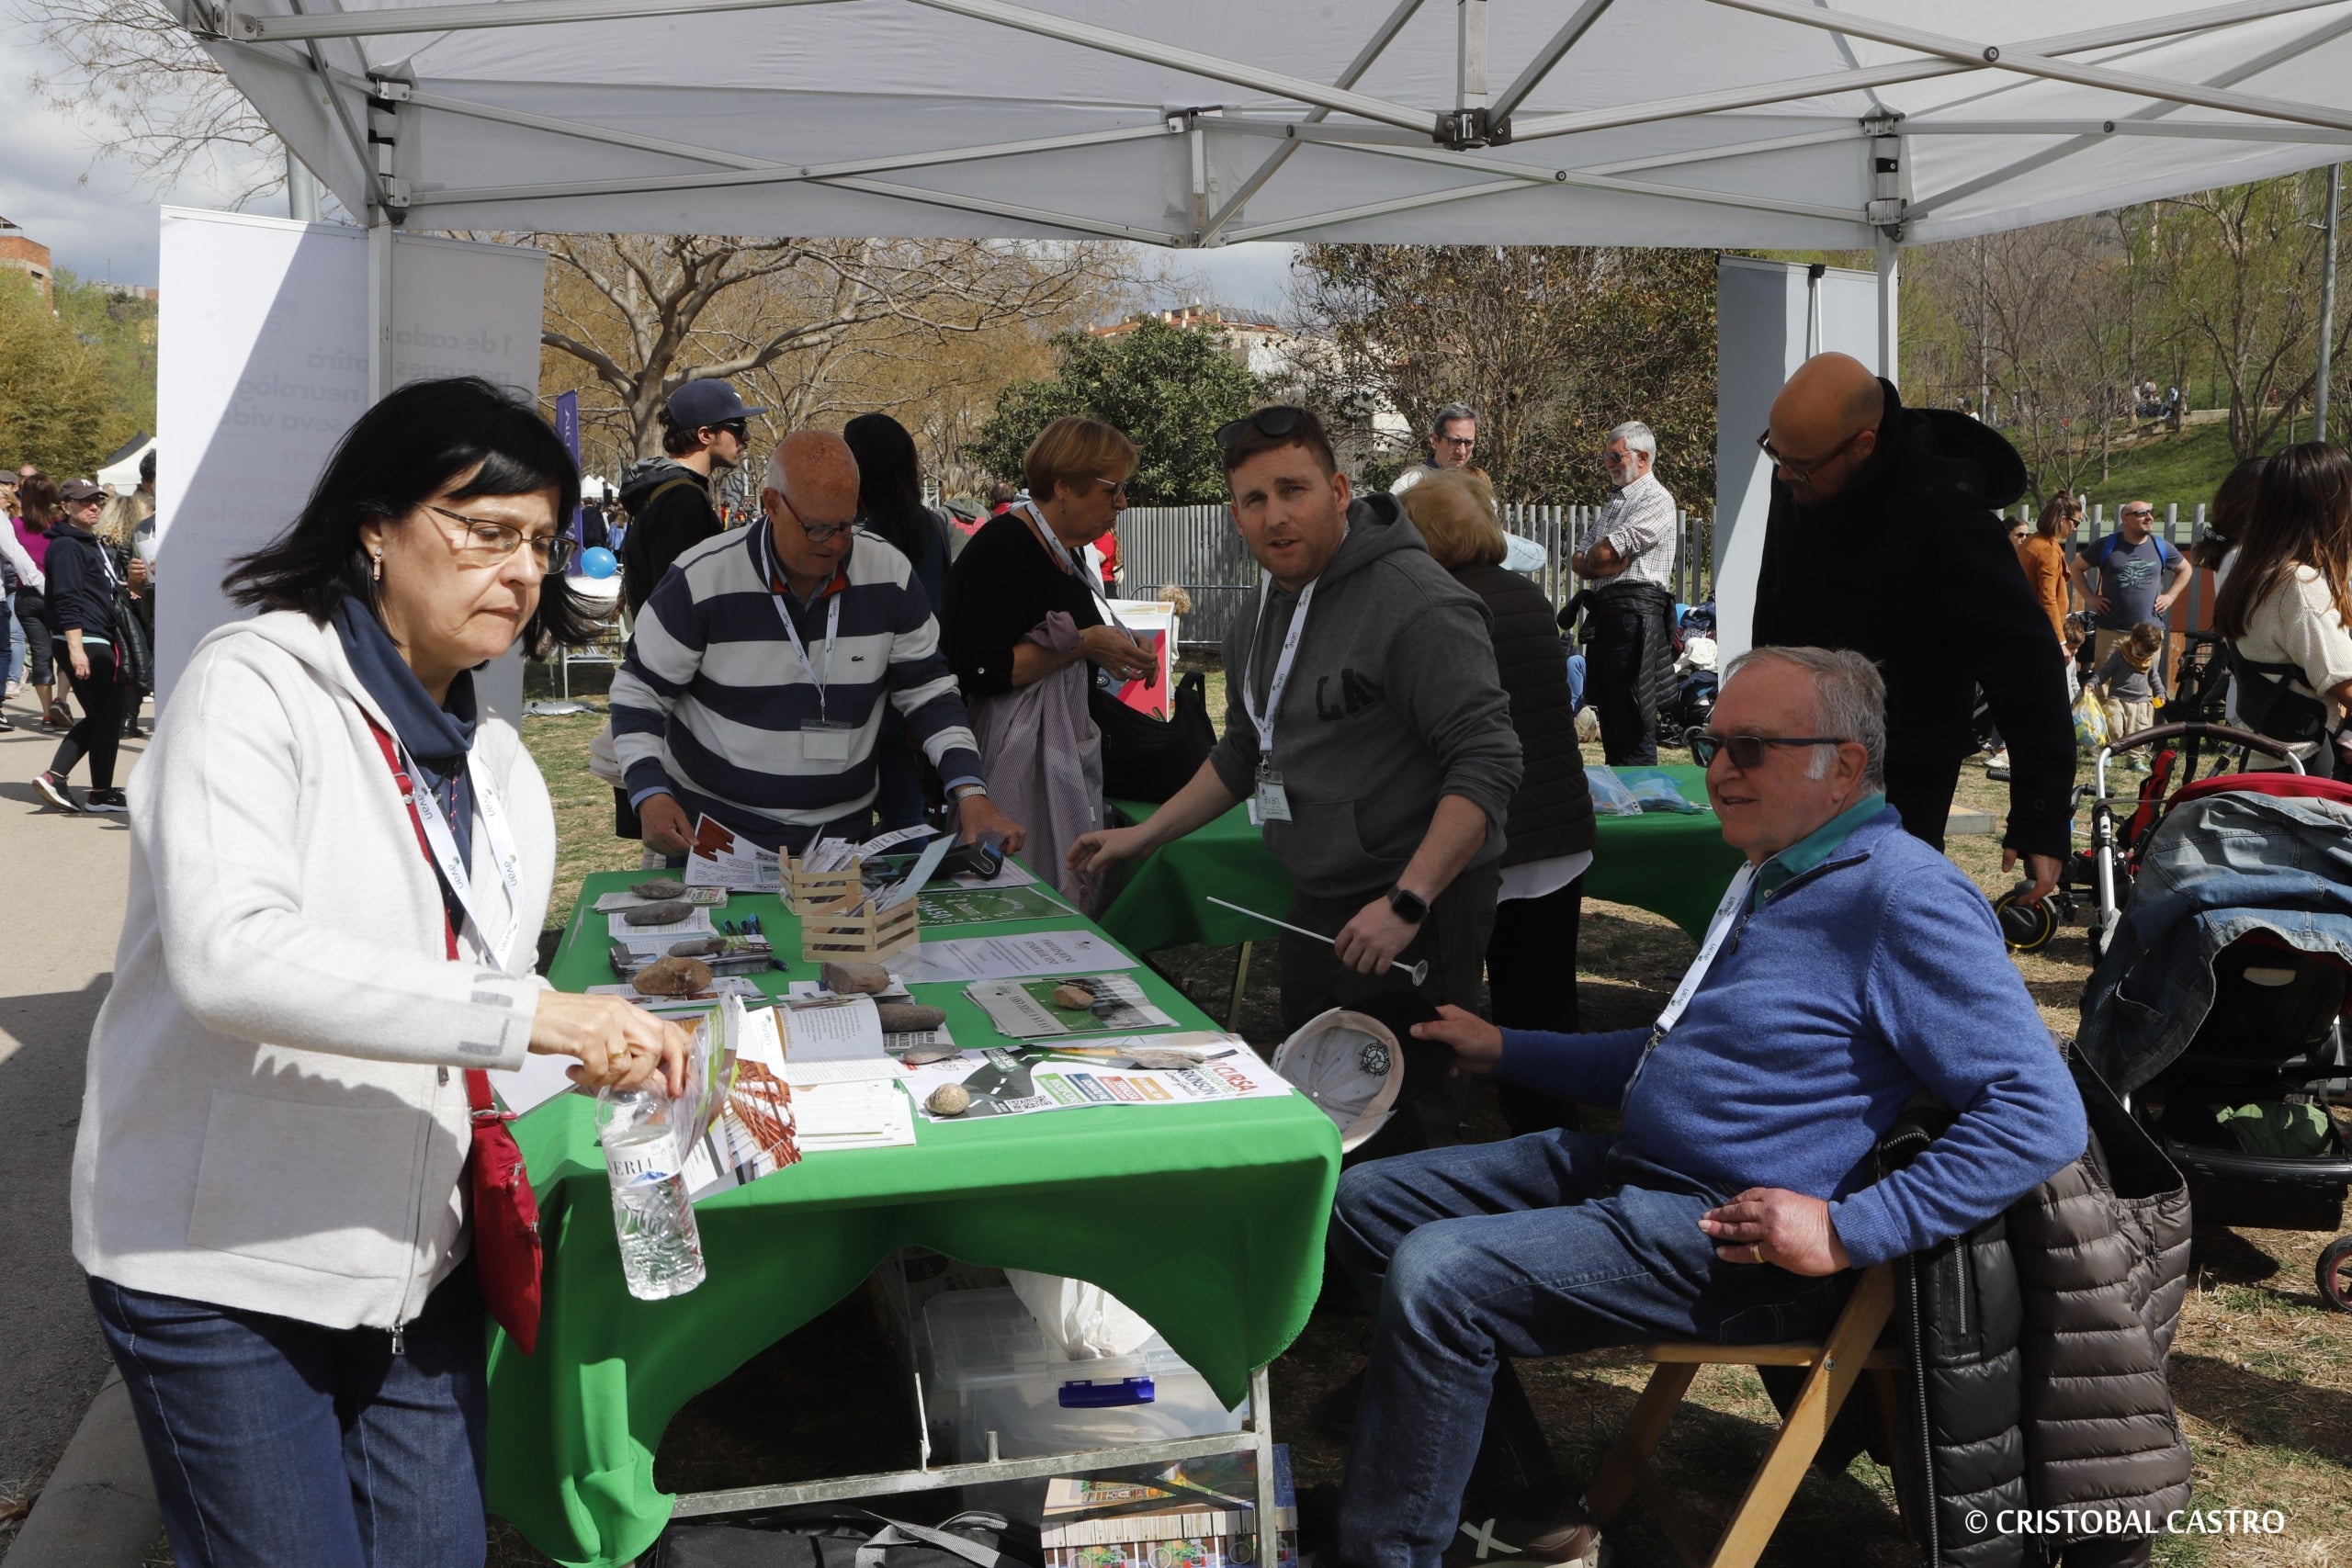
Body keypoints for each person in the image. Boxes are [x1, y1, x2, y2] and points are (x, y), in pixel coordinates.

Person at [73, 376, 691, 1568]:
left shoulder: (501, 767)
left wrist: (661, 1086)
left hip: (416, 1270)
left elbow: (464, 1037)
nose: (518, 570)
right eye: (484, 530)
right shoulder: (254, 682)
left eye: (539, 543)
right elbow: (229, 954)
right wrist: (540, 1015)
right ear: (375, 524)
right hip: (226, 1268)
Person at [1329, 647, 2086, 1566]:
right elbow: (1672, 1060)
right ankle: (1527, 1511)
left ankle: (1387, 1549)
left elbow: (2037, 1110)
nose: (1718, 770)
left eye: (1752, 747)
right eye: (1710, 742)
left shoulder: (1903, 896)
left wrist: (1850, 1230)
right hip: (1642, 1177)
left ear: (1842, 764)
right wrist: (1504, 1049)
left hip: (1730, 1238)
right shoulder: (1778, 869)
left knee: (1437, 1274)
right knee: (1364, 1207)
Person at [1070, 406, 1521, 1046]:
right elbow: (1243, 751)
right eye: (1254, 499)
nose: (1274, 515)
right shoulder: (1259, 608)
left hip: (1414, 902)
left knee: (1400, 1119)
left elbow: (1489, 762)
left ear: (1338, 493)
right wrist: (1143, 836)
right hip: (1314, 895)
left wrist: (1406, 903)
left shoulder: (1417, 601)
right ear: (1235, 517)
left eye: (1293, 490)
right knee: (1318, 1091)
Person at [1752, 351, 2075, 904]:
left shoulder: (1946, 516)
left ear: (1863, 445)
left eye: (1799, 467)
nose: (1784, 476)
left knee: (1878, 907)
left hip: (1903, 763)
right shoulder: (1803, 472)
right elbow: (1774, 605)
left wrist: (2040, 814)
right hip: (1798, 743)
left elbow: (2025, 664)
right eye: (1776, 457)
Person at [611, 429, 1024, 860]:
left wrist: (970, 791)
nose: (836, 544)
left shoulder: (889, 574)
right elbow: (638, 693)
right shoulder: (701, 578)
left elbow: (931, 693)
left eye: (846, 525)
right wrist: (649, 793)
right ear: (771, 505)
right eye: (818, 529)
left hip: (839, 847)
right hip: (712, 840)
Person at [1400, 469, 1595, 1134]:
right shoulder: (1527, 596)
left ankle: (1434, 1141)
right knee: (1542, 1008)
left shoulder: (1435, 606)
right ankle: (1549, 1138)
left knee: (1440, 1004)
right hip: (1556, 834)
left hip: (1485, 840)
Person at [944, 418, 1153, 907]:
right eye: (1113, 489)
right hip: (1014, 756)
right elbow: (980, 668)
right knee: (1014, 888)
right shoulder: (1002, 548)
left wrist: (1112, 643)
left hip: (1056, 748)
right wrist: (1087, 643)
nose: (1121, 502)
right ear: (1063, 486)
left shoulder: (1066, 552)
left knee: (1059, 883)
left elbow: (1072, 641)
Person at [844, 412, 957, 832]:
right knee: (906, 816)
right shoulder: (930, 526)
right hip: (914, 683)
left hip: (856, 688)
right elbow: (940, 609)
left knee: (843, 817)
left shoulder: (848, 533)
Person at [2214, 442, 2352, 776]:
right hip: (2304, 774)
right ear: (2329, 504)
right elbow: (2342, 680)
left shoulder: (2255, 568)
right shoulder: (2297, 584)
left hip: (2269, 764)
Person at [1568, 421, 1679, 766]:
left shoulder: (1657, 499)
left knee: (1633, 718)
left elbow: (1598, 555)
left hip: (1635, 622)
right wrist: (1601, 560)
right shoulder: (1617, 502)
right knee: (1613, 720)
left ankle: (1643, 809)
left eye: (1615, 456)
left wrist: (1599, 558)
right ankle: (1623, 808)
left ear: (1642, 457)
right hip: (1609, 621)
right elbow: (1580, 559)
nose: (1608, 464)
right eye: (1607, 457)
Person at [616, 378, 764, 618]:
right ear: (705, 434)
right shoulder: (682, 499)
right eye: (738, 426)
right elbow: (680, 603)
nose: (746, 436)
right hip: (677, 652)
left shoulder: (668, 489)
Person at [34, 479, 134, 812]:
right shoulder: (66, 546)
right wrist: (76, 649)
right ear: (65, 506)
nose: (94, 506)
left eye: (97, 501)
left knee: (103, 715)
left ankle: (70, 781)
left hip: (93, 637)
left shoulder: (85, 543)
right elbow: (66, 598)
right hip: (85, 639)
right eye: (84, 501)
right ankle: (89, 789)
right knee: (106, 714)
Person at [2068, 498, 2190, 672]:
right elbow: (2075, 568)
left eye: (2150, 513)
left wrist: (2170, 596)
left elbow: (2186, 569)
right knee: (2104, 687)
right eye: (2141, 514)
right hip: (2111, 631)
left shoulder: (2161, 546)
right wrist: (2090, 598)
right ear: (2125, 518)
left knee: (2145, 688)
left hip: (2149, 633)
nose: (2149, 517)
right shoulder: (2106, 545)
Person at [14, 472, 69, 730]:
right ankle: (61, 699)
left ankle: (47, 714)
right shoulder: (59, 525)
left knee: (40, 654)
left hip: (25, 597)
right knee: (67, 648)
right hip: (56, 595)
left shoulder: (14, 525)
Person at [2086, 621, 2168, 769]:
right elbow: (2104, 672)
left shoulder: (2148, 661)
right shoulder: (2119, 655)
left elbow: (2154, 678)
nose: (2143, 657)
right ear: (2132, 641)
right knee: (2114, 728)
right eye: (2140, 653)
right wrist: (2093, 683)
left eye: (2148, 655)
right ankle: (2107, 754)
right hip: (2117, 698)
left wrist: (2160, 692)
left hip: (2140, 702)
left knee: (2138, 732)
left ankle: (2134, 760)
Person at [2016, 494, 2076, 649]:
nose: (2075, 528)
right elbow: (2047, 598)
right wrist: (2061, 641)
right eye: (2075, 522)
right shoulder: (2046, 549)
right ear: (2063, 520)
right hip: (2038, 631)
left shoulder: (2032, 541)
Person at [1389, 401, 1478, 496]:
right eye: (1454, 441)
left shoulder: (1477, 491)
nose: (1462, 451)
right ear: (1435, 440)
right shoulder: (1407, 488)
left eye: (1468, 443)